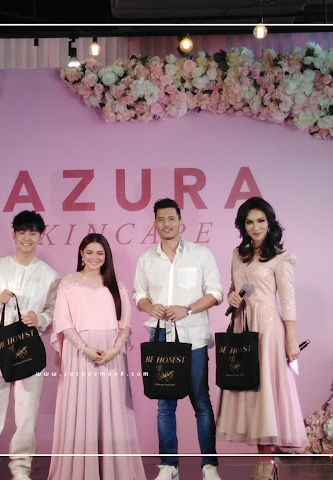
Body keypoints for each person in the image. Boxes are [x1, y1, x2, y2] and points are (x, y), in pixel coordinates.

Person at [216, 197, 309, 480]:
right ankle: (265, 461)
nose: (255, 227)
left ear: (269, 223)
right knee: (252, 393)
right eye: (249, 222)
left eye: (260, 221)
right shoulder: (238, 254)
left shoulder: (281, 258)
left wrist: (291, 340)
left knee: (266, 392)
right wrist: (232, 296)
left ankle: (267, 463)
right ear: (242, 226)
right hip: (242, 326)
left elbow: (288, 301)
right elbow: (235, 288)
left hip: (268, 329)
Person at [0, 211, 60, 480]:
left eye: (33, 233)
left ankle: (21, 468)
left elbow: (54, 312)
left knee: (27, 412)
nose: (27, 238)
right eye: (22, 232)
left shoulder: (50, 276)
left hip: (29, 345)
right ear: (14, 235)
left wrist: (40, 318)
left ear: (41, 236)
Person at [133, 198, 224, 480]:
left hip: (193, 337)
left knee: (201, 402)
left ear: (181, 222)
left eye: (171, 218)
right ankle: (168, 465)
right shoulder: (147, 259)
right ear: (155, 223)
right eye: (161, 219)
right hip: (160, 337)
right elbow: (139, 294)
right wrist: (150, 307)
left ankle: (209, 465)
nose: (166, 224)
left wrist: (188, 309)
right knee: (165, 405)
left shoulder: (200, 254)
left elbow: (216, 293)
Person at [47, 233, 147, 480]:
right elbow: (63, 321)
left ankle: (114, 471)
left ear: (106, 256)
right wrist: (84, 348)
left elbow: (125, 323)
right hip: (80, 353)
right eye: (89, 252)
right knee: (83, 409)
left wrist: (115, 349)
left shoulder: (115, 284)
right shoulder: (68, 282)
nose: (95, 257)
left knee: (112, 409)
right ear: (81, 254)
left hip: (111, 353)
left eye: (100, 253)